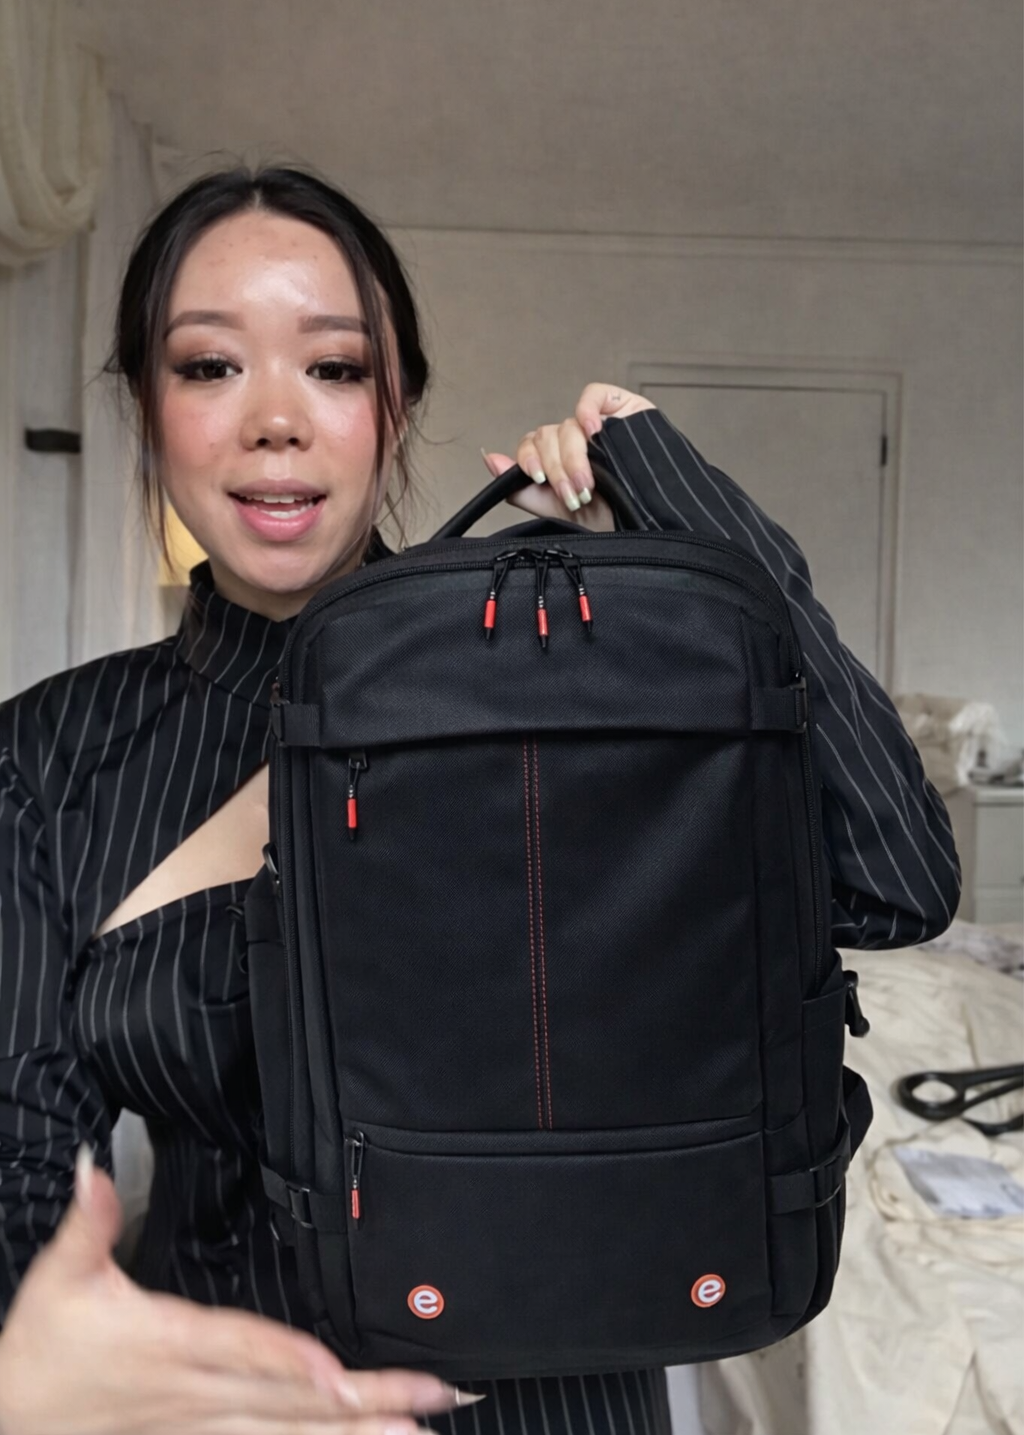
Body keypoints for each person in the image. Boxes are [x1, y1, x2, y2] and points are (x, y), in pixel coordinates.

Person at [0, 165, 959, 1435]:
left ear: (397, 407)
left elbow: (896, 883)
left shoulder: (566, 669)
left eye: (335, 368)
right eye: (210, 365)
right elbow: (19, 1166)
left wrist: (692, 519)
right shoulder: (52, 755)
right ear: (146, 404)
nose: (275, 421)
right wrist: (58, 1361)